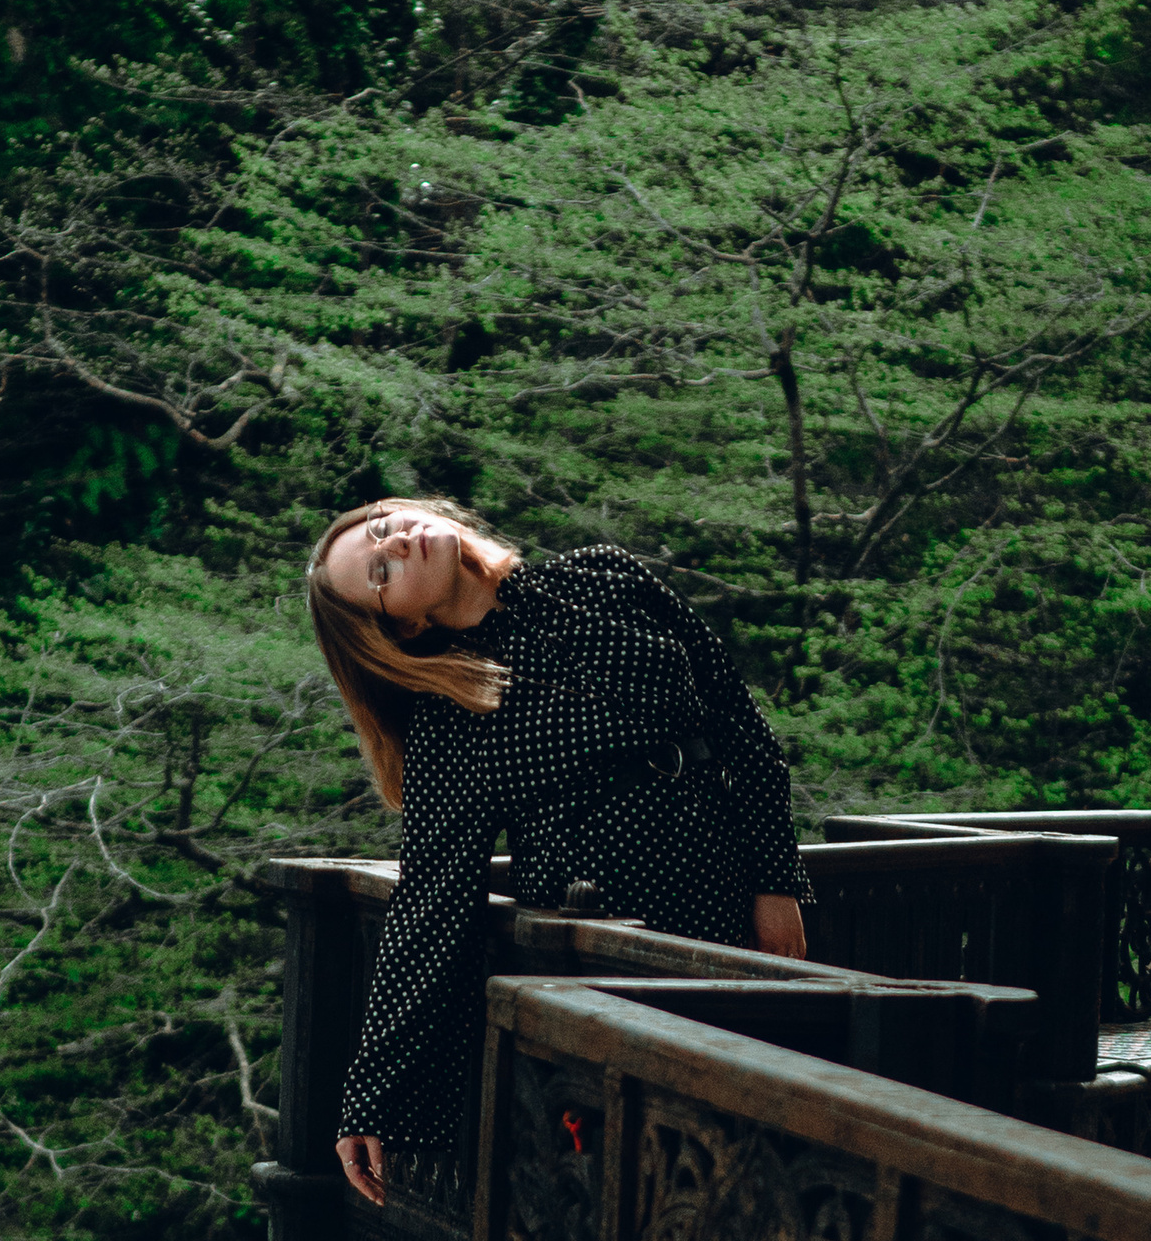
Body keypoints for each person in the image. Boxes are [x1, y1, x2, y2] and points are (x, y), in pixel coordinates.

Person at [307, 498, 811, 1205]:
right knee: (667, 1179)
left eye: (384, 528)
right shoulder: (453, 720)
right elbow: (427, 905)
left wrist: (775, 880)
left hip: (727, 900)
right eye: (380, 571)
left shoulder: (606, 576)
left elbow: (743, 727)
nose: (399, 544)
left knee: (761, 1151)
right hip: (611, 954)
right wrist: (369, 1098)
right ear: (405, 624)